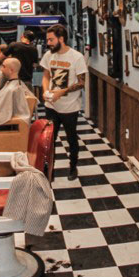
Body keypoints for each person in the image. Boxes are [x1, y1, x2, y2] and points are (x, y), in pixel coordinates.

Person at [40, 24, 88, 181]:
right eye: (47, 40)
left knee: (71, 138)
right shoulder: (49, 55)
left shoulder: (76, 57)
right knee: (49, 140)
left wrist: (62, 92)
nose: (48, 43)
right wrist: (45, 91)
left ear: (61, 39)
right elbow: (46, 75)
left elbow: (82, 83)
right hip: (51, 106)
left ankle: (73, 167)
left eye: (51, 39)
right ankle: (49, 170)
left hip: (70, 107)